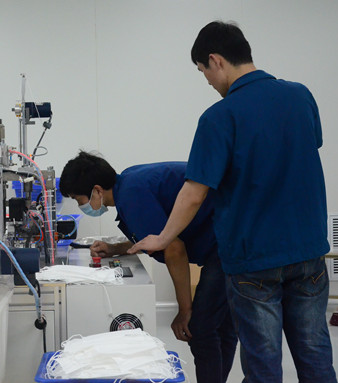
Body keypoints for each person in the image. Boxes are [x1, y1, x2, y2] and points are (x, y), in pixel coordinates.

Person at [128, 21, 337, 382]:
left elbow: (194, 192)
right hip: (309, 253)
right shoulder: (300, 95)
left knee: (263, 366)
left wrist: (162, 238)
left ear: (216, 60)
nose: (208, 81)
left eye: (203, 72)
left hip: (254, 261)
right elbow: (306, 148)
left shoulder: (219, 116)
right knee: (315, 357)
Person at [59, 152, 237, 383]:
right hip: (229, 233)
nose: (80, 205)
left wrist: (184, 310)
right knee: (221, 326)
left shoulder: (131, 195)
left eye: (78, 199)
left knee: (200, 328)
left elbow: (174, 249)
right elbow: (155, 235)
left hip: (229, 241)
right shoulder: (128, 182)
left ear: (97, 190)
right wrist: (116, 249)